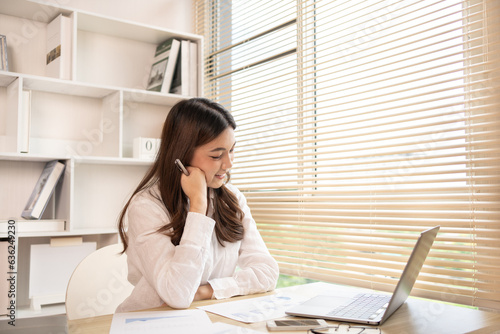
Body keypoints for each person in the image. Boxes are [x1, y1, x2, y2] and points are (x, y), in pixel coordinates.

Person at [116, 97, 279, 312]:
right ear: (181, 155)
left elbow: (267, 271)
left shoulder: (233, 199)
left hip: (209, 316)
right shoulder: (146, 206)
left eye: (231, 150)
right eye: (216, 155)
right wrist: (198, 205)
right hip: (151, 321)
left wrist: (208, 290)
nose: (229, 164)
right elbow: (178, 295)